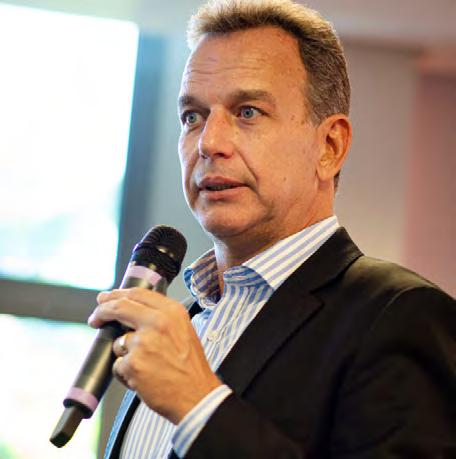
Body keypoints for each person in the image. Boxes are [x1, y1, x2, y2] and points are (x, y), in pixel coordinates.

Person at [89, 0, 456, 457]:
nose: (209, 143)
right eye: (192, 117)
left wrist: (198, 404)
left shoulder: (402, 316)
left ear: (329, 146)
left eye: (248, 112)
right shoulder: (181, 326)